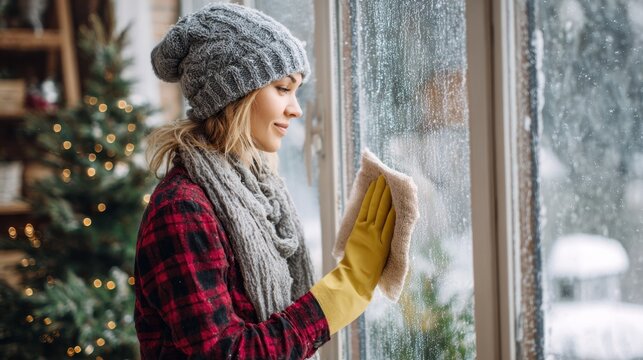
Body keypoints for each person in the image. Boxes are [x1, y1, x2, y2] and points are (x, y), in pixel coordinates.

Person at [134, 3, 396, 359]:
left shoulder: (256, 191)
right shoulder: (182, 209)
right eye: (282, 88)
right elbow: (226, 353)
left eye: (297, 90)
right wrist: (344, 291)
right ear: (235, 94)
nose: (296, 108)